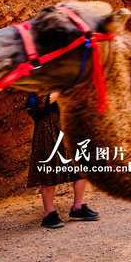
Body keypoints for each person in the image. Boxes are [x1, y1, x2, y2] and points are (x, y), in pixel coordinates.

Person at [27, 92, 99, 228]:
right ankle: (49, 214)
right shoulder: (43, 79)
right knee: (49, 170)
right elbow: (42, 103)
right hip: (48, 130)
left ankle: (77, 208)